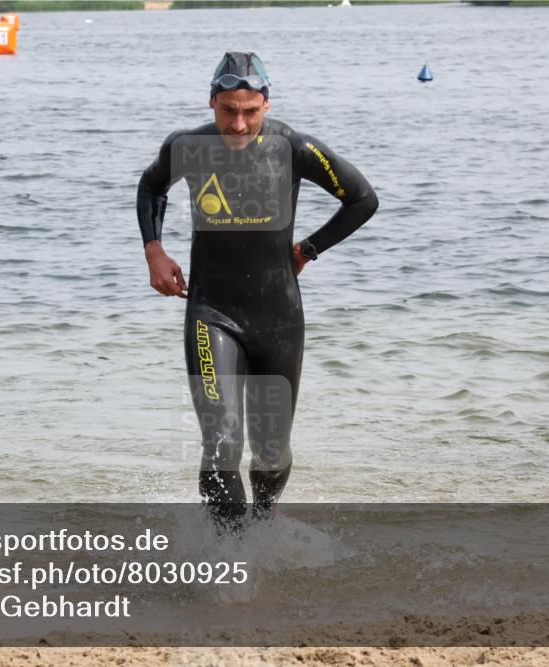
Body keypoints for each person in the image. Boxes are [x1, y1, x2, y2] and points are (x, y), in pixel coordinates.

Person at [136, 52, 378, 532]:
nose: (239, 124)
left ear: (266, 104)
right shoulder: (187, 146)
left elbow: (362, 199)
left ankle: (264, 527)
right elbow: (151, 188)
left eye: (250, 111)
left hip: (277, 318)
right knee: (223, 443)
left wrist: (308, 248)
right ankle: (229, 557)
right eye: (228, 110)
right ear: (212, 103)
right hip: (212, 313)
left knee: (270, 453)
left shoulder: (294, 148)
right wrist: (155, 252)